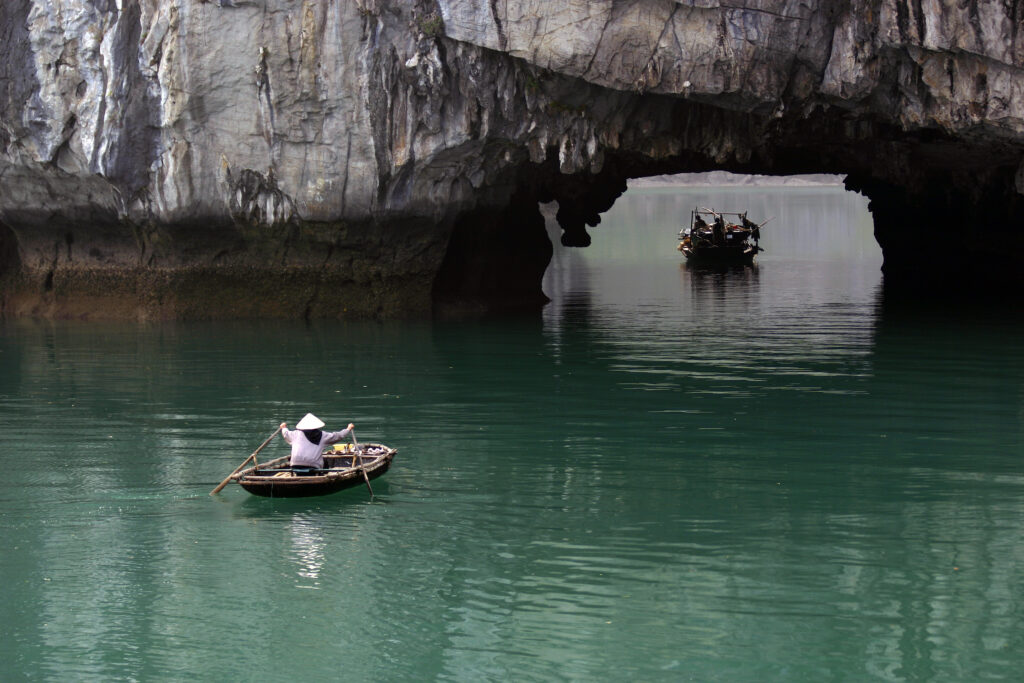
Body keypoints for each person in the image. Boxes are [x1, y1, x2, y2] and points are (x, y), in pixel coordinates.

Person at [279, 413, 354, 471]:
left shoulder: (295, 434)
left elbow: (286, 433)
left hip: (294, 465)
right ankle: (322, 476)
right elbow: (338, 436)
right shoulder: (322, 436)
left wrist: (283, 427)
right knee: (325, 462)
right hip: (313, 466)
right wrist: (348, 429)